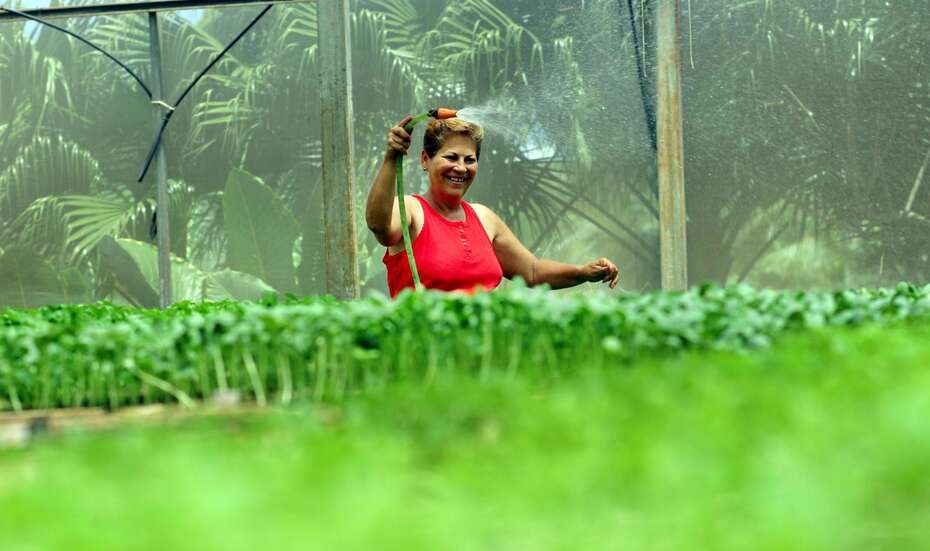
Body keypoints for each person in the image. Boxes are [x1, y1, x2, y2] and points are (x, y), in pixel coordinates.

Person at [366, 115, 620, 298]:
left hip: (487, 347)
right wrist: (391, 157)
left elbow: (531, 272)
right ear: (425, 160)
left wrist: (584, 271)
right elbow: (380, 226)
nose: (461, 168)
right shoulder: (411, 209)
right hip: (427, 350)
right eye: (451, 157)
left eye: (470, 160)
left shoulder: (483, 217)